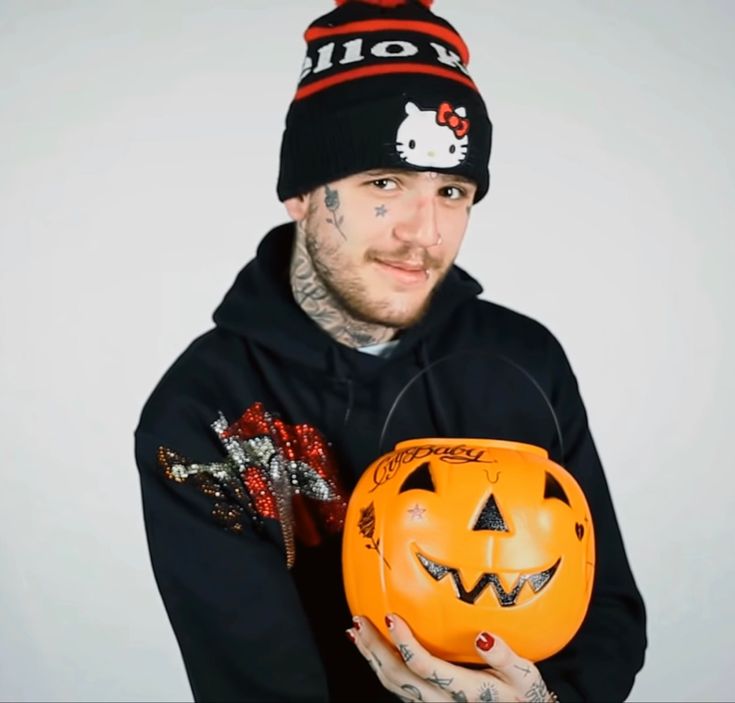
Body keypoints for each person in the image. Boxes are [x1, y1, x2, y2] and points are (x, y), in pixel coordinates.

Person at [134, 1, 647, 701]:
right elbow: (254, 683)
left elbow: (601, 606)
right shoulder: (207, 412)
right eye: (384, 183)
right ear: (304, 193)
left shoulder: (522, 361)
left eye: (451, 191)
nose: (423, 232)